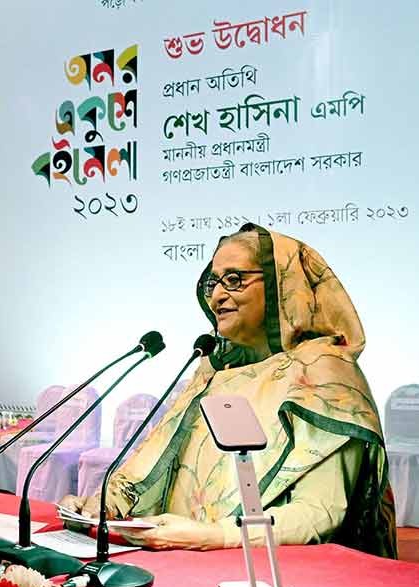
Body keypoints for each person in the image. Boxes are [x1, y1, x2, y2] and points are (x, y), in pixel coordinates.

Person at [60, 224, 396, 558]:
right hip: (182, 562)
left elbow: (319, 513)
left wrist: (213, 536)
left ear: (282, 285)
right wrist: (100, 506)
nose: (217, 295)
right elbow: (156, 462)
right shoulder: (216, 368)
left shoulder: (325, 372)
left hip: (272, 575)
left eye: (234, 280)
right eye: (213, 282)